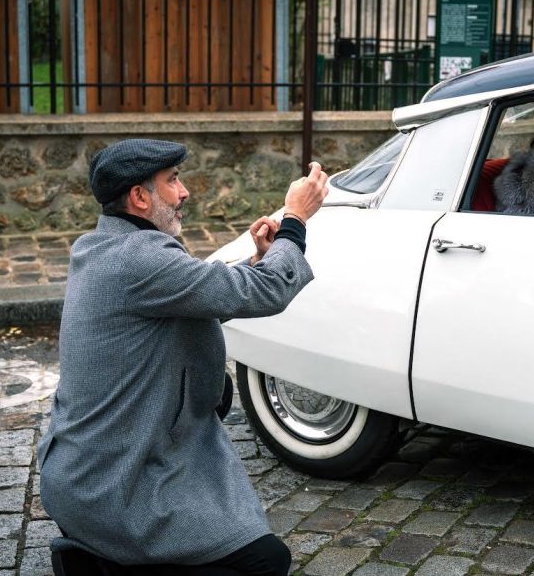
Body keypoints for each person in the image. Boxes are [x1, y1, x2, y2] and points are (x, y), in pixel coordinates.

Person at [38, 138, 329, 575]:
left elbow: (193, 294)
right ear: (139, 197)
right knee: (265, 562)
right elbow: (268, 292)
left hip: (88, 468)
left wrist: (258, 260)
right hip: (111, 482)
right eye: (172, 181)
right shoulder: (140, 259)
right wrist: (295, 218)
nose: (185, 192)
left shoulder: (102, 246)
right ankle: (99, 565)